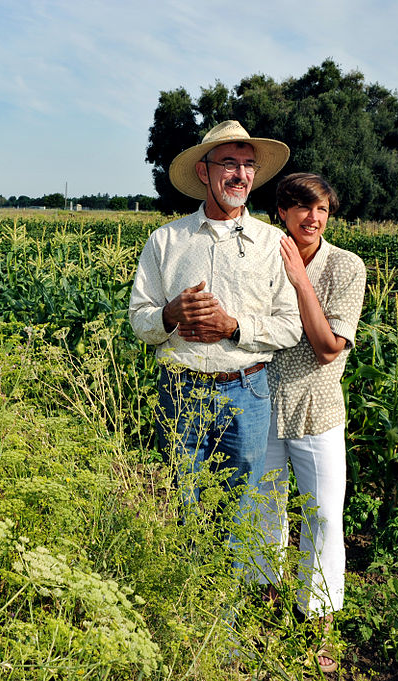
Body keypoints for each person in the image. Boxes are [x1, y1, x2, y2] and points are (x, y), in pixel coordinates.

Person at [128, 120, 302, 545]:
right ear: (204, 171)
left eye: (248, 165)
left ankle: (222, 611)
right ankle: (185, 607)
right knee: (181, 508)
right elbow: (139, 319)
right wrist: (169, 315)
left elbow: (291, 325)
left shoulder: (272, 243)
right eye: (229, 163)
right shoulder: (166, 241)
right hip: (179, 389)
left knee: (237, 513)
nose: (240, 174)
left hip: (246, 392)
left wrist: (234, 327)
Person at [255, 172, 366, 674]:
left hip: (317, 411)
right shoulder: (261, 253)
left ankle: (318, 625)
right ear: (282, 211)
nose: (312, 218)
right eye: (301, 207)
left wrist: (301, 279)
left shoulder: (346, 266)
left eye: (320, 209)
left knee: (322, 520)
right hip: (262, 404)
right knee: (262, 517)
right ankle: (266, 612)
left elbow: (326, 349)